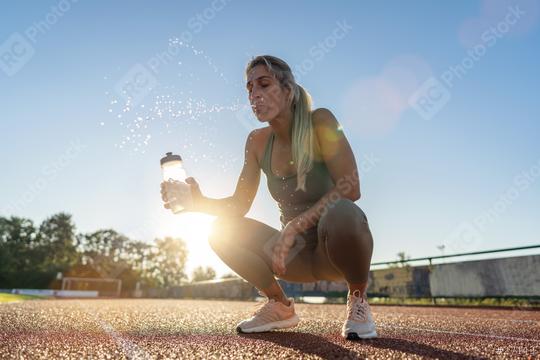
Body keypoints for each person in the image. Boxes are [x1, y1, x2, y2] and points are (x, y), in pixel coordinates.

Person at [161, 55, 376, 340]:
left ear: (287, 90)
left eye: (263, 84)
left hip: (332, 250)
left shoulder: (321, 120)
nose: (254, 94)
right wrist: (197, 203)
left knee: (344, 212)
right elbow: (238, 206)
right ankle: (279, 305)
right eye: (249, 88)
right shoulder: (255, 142)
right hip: (290, 257)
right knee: (220, 230)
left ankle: (358, 298)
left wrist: (294, 226)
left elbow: (351, 187)